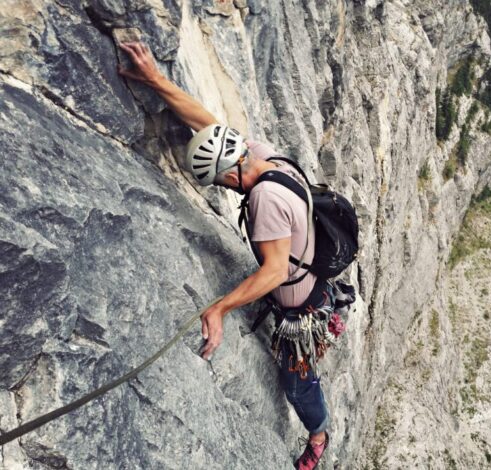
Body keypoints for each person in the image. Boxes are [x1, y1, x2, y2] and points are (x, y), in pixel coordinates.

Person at [118, 41, 332, 470]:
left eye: (223, 183)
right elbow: (209, 125)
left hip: (300, 308)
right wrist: (157, 80)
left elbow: (273, 272)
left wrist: (219, 308)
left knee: (297, 383)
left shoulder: (264, 200)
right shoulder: (263, 156)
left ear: (233, 173)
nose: (226, 189)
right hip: (309, 277)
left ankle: (319, 433)